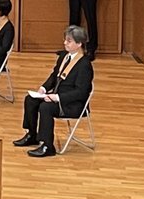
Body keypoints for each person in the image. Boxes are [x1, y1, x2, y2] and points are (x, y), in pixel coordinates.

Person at [15, 25, 94, 157]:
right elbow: (54, 76)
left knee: (46, 108)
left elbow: (81, 92)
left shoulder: (84, 65)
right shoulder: (64, 57)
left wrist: (56, 97)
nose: (65, 43)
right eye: (65, 40)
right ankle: (32, 134)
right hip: (56, 96)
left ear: (79, 44)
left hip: (72, 104)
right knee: (30, 100)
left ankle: (47, 145)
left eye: (69, 41)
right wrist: (44, 88)